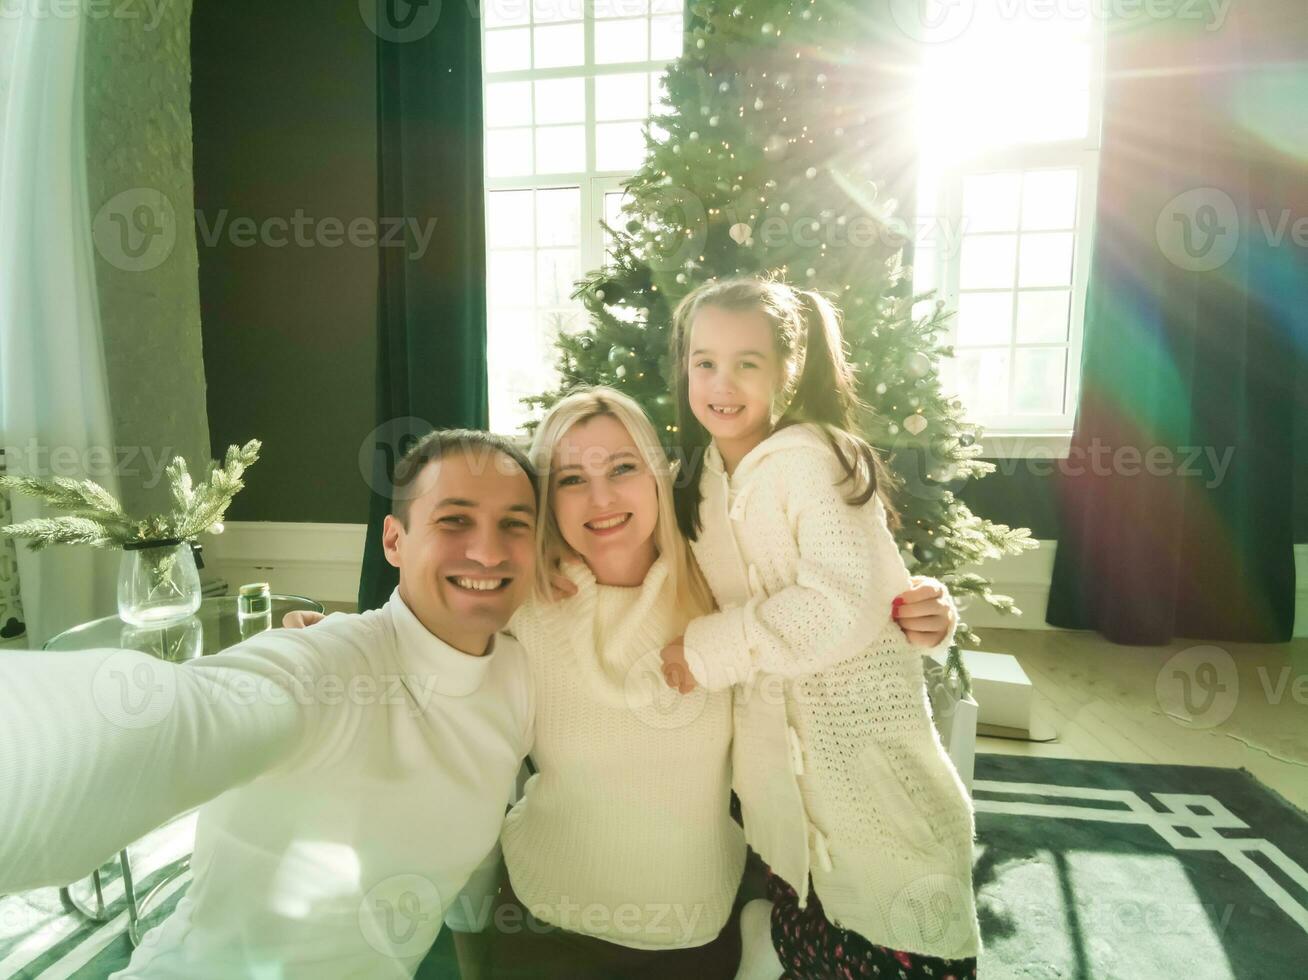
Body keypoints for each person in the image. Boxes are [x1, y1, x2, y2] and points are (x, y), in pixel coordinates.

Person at [0, 430, 538, 979]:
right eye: (454, 520)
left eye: (515, 524)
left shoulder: (519, 677)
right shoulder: (327, 666)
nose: (489, 551)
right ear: (395, 542)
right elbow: (175, 717)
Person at [659, 276, 982, 978]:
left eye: (748, 362)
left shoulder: (815, 460)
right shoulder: (702, 480)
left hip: (871, 773)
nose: (722, 381)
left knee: (906, 934)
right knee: (809, 914)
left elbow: (842, 602)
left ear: (789, 369)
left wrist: (708, 651)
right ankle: (770, 937)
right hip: (782, 791)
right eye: (704, 361)